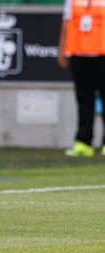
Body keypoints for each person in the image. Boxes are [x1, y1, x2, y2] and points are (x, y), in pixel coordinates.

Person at [58, 0, 105, 157]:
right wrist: (62, 49)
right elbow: (66, 24)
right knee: (84, 101)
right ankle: (84, 142)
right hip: (78, 54)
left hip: (102, 55)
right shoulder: (72, 1)